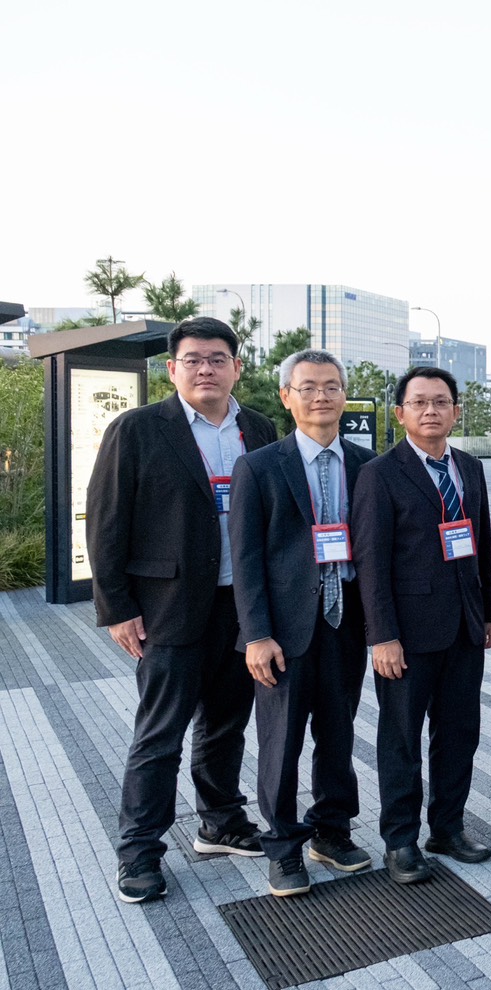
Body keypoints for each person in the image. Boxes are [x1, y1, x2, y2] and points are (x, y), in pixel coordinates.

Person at [88, 317, 275, 905]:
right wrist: (116, 607)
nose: (205, 369)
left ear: (236, 367)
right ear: (171, 369)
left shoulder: (261, 429)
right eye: (192, 359)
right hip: (167, 609)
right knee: (160, 734)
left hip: (241, 609)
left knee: (226, 722)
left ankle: (220, 822)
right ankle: (139, 852)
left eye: (217, 359)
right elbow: (106, 520)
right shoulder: (139, 429)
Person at [228, 349, 375, 896]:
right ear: (287, 396)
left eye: (332, 386)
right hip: (284, 633)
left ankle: (332, 832)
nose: (322, 396)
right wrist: (257, 634)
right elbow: (245, 560)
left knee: (338, 736)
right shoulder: (260, 466)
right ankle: (284, 846)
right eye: (308, 387)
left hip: (347, 623)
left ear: (344, 394)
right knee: (281, 741)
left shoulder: (366, 464)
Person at [353, 366, 491, 885]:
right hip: (407, 636)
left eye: (441, 402)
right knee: (401, 740)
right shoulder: (379, 473)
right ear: (400, 414)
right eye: (419, 403)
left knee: (459, 733)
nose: (431, 411)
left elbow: (478, 543)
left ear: (457, 411)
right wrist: (382, 635)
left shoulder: (470, 468)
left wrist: (486, 613)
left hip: (464, 629)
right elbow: (370, 561)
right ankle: (400, 840)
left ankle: (448, 827)